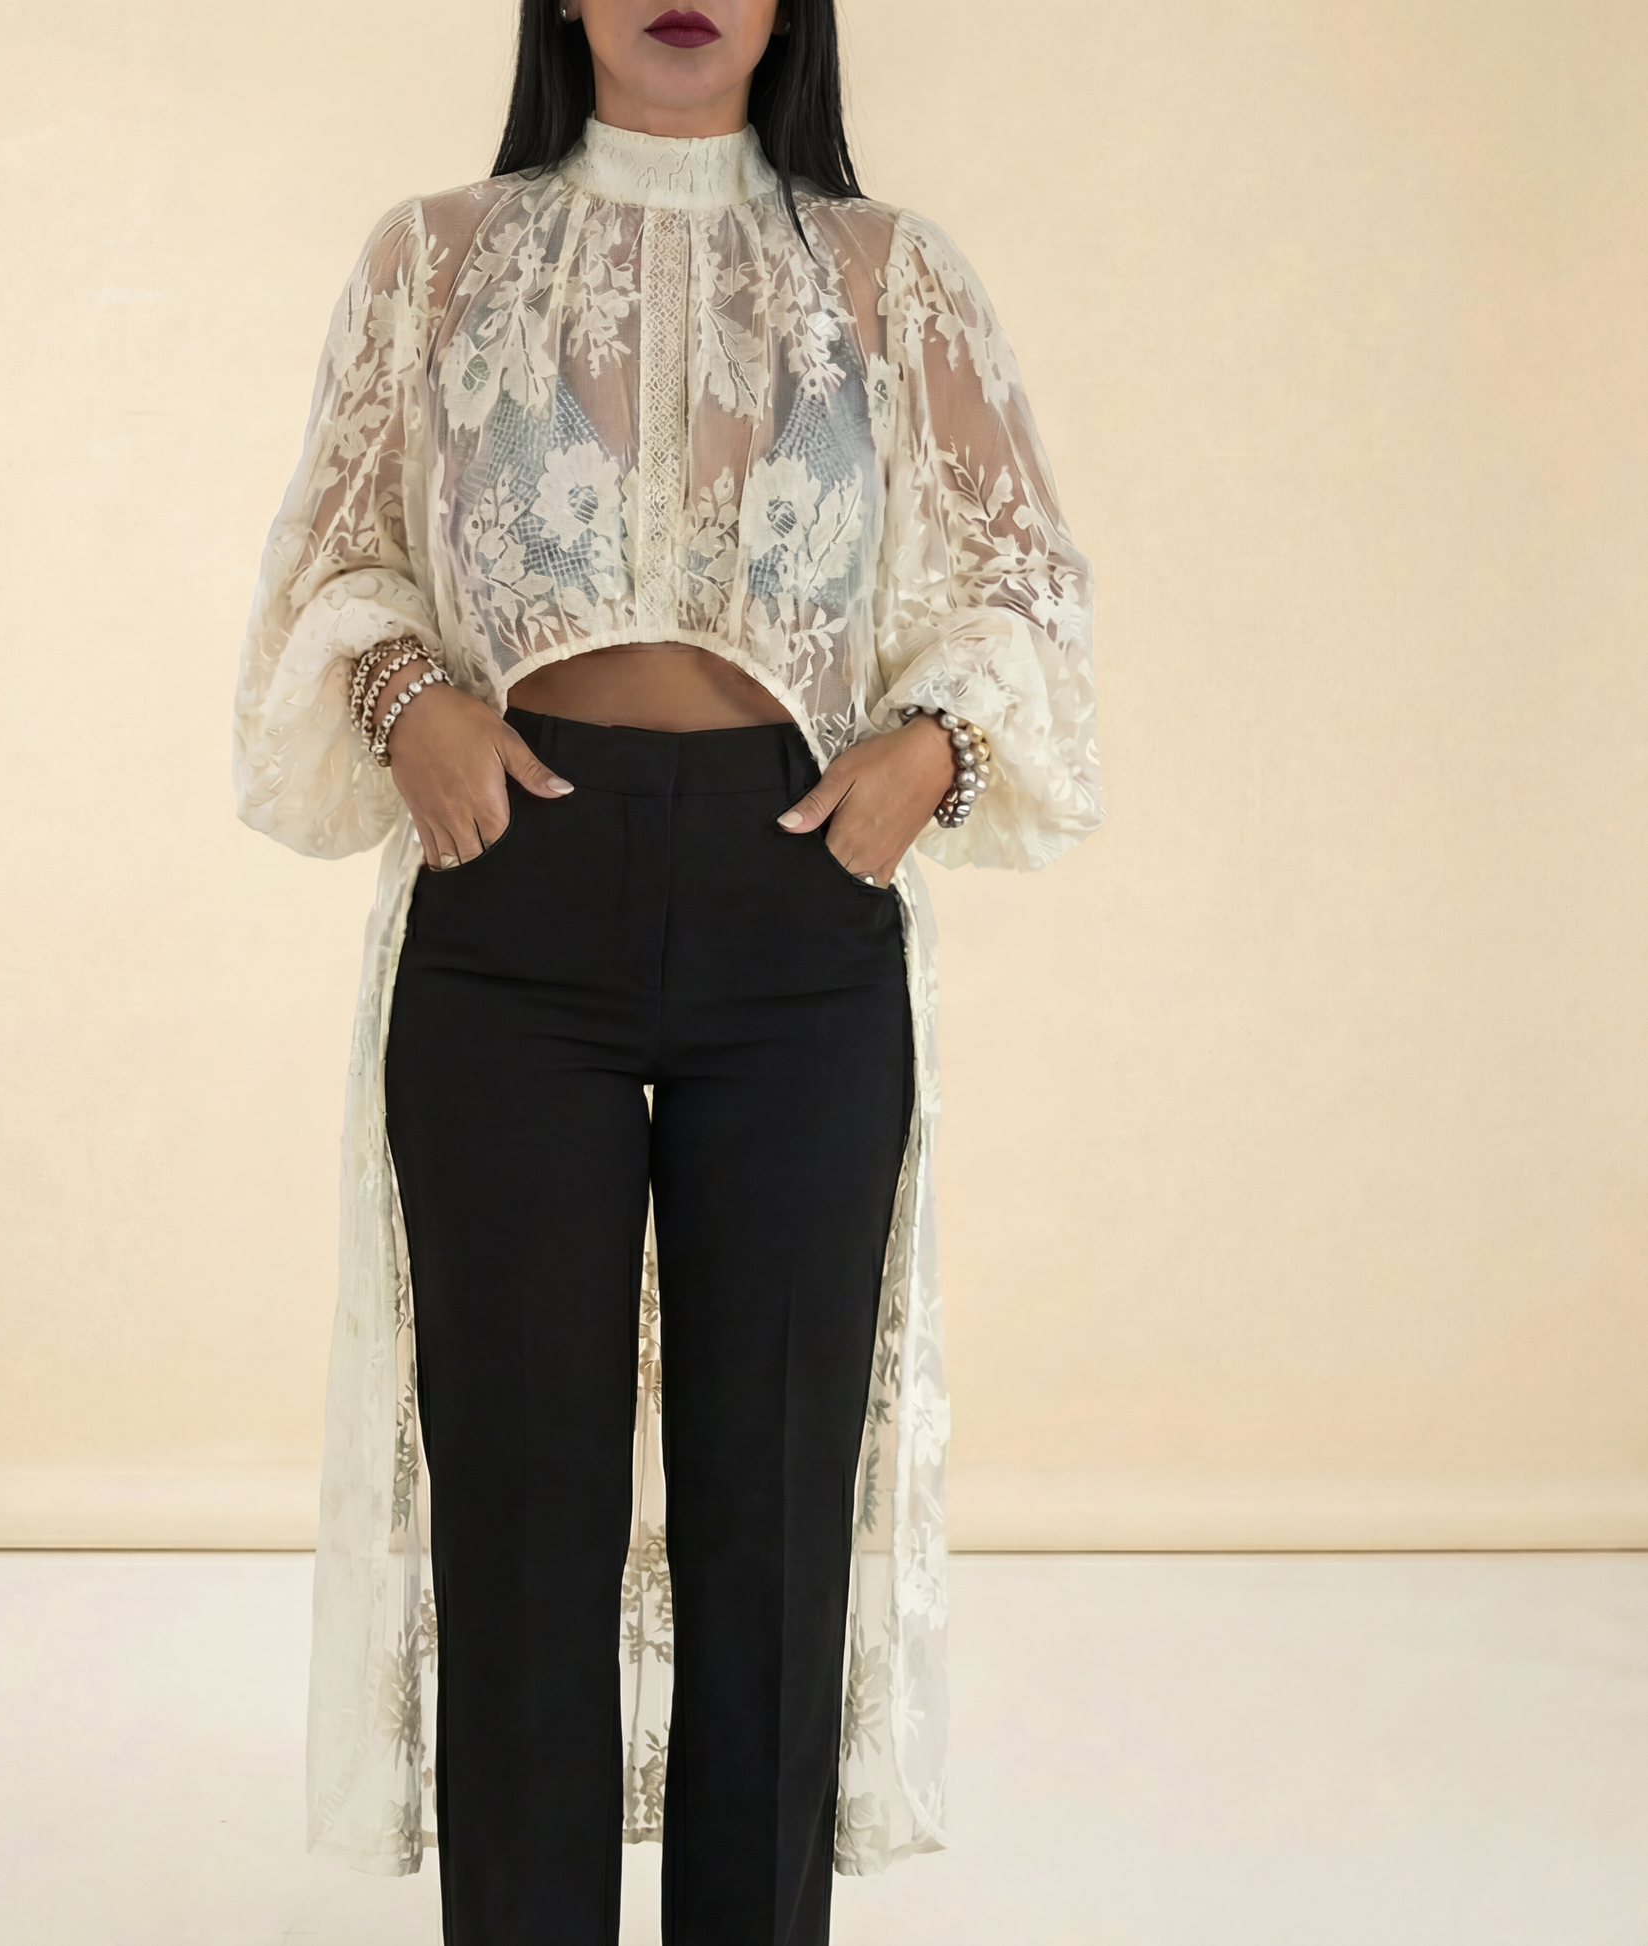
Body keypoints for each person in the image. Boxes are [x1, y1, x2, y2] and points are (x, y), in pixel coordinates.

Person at [232, 2, 1103, 1941]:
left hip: (796, 910)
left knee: (769, 1521)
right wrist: (402, 694)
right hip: (509, 904)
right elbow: (332, 564)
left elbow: (1024, 591)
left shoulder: (888, 276)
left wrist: (931, 751)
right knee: (518, 1512)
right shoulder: (435, 260)